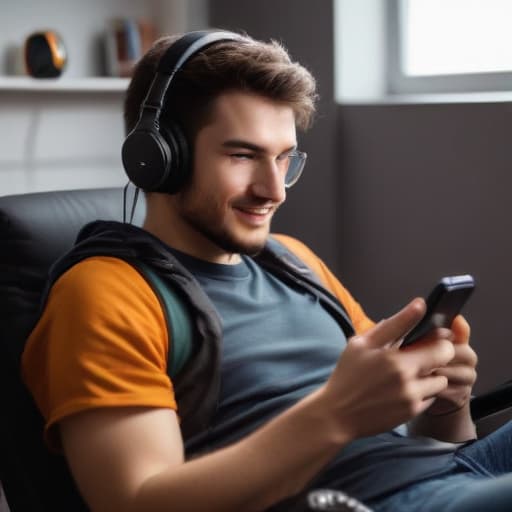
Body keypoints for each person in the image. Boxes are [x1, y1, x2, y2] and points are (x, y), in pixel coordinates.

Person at [21, 30, 512, 512]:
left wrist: (446, 404)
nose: (274, 190)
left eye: (284, 159)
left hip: (454, 471)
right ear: (160, 158)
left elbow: (418, 440)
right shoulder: (105, 293)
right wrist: (333, 416)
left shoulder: (295, 260)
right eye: (242, 156)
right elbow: (137, 500)